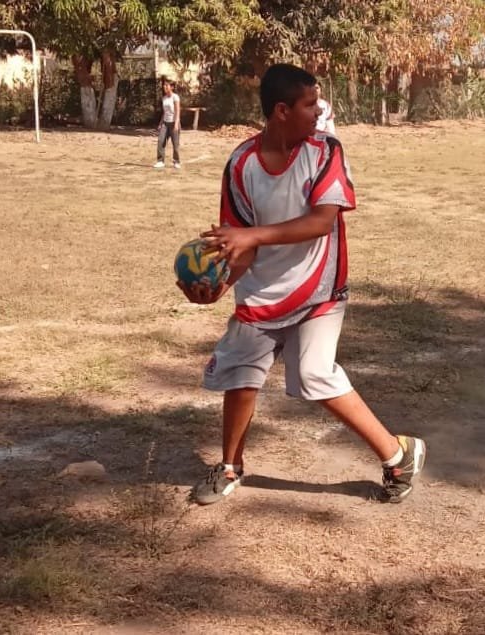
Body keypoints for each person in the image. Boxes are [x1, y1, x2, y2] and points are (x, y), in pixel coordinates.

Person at [178, 63, 426, 506]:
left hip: (318, 290)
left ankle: (398, 453)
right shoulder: (241, 164)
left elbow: (321, 220)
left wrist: (251, 236)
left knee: (313, 374)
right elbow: (240, 243)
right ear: (280, 111)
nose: (319, 111)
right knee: (241, 373)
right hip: (262, 291)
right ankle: (230, 467)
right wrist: (217, 286)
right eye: (310, 104)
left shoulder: (325, 151)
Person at [155, 79, 182, 169]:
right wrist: (160, 123)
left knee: (175, 144)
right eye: (164, 85)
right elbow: (164, 112)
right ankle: (160, 161)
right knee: (160, 141)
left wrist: (176, 124)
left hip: (174, 122)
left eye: (167, 85)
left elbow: (177, 111)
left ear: (172, 87)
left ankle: (176, 161)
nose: (165, 87)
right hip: (165, 123)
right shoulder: (164, 98)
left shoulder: (175, 97)